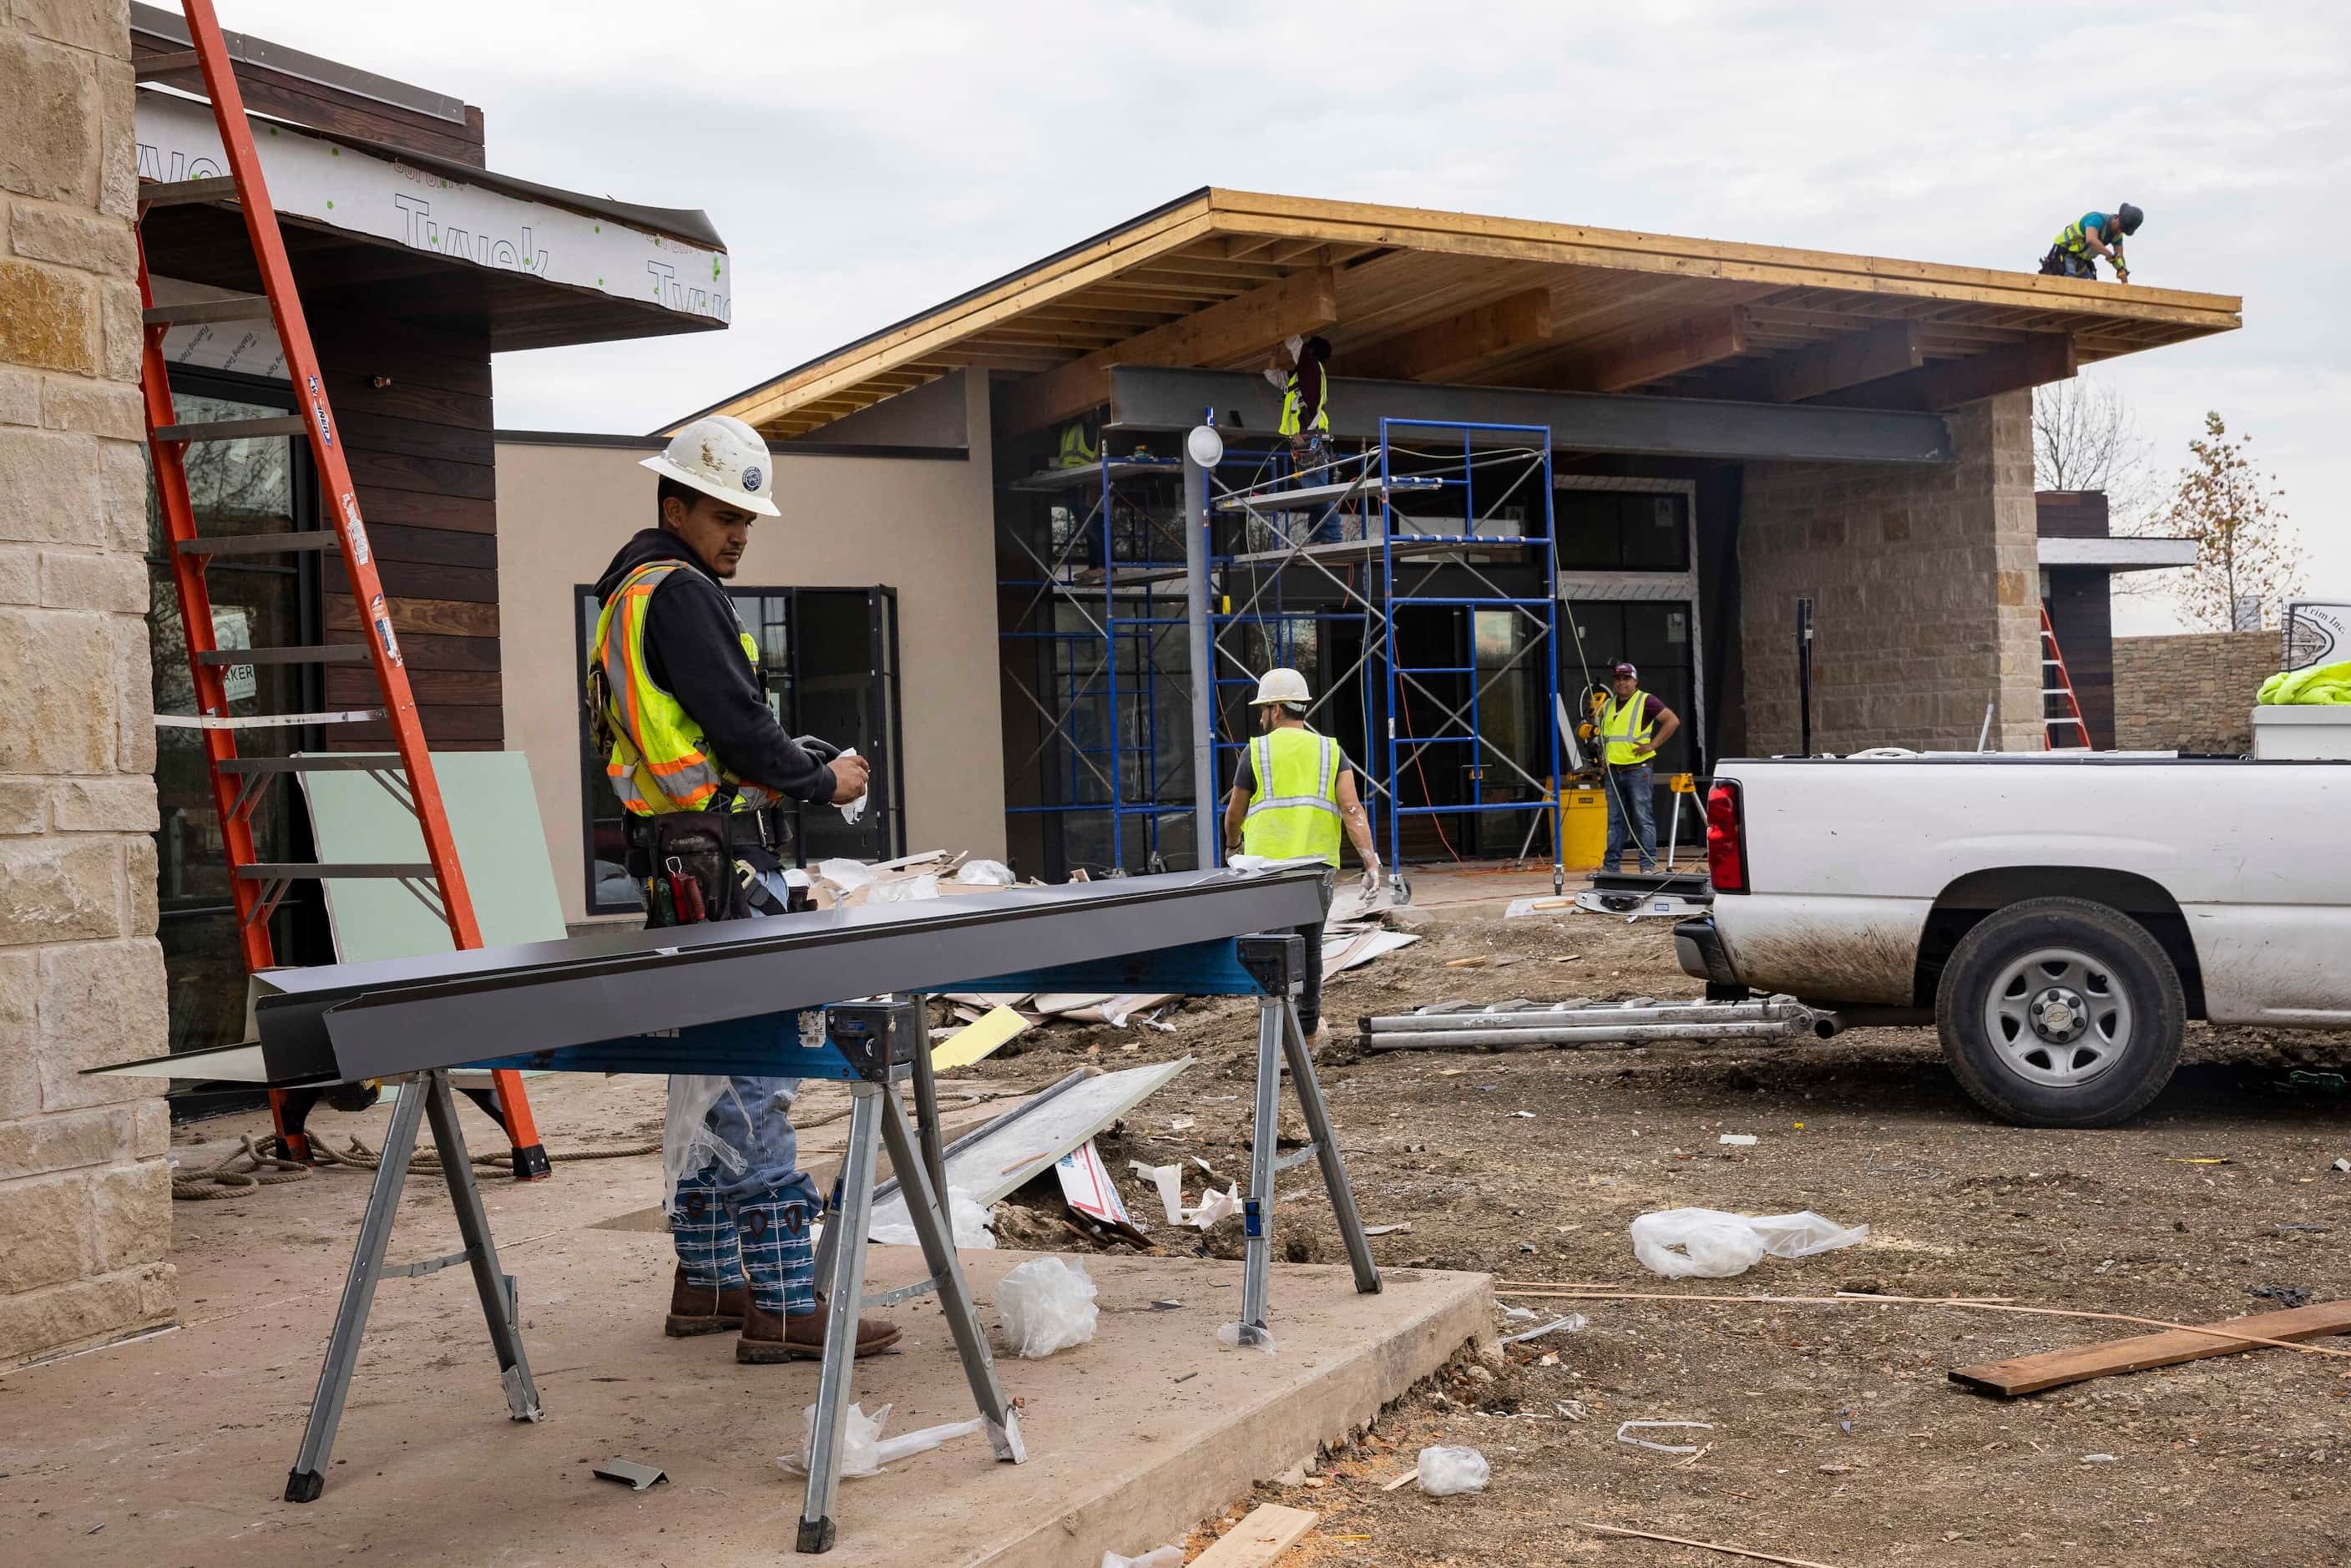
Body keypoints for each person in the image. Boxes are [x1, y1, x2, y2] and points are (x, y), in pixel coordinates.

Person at [588, 412, 899, 1366]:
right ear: (673, 505)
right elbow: (732, 728)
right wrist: (819, 779)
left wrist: (781, 757)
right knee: (758, 1072)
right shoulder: (680, 593)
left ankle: (708, 1277)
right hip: (720, 862)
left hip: (679, 858)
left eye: (746, 521)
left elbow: (706, 730)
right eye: (723, 514)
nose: (737, 535)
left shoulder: (630, 592)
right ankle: (778, 1299)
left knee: (711, 1072)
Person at [1221, 668, 1383, 1044]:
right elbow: (1352, 809)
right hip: (1316, 868)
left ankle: (1278, 1037)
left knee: (1274, 949)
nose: (1262, 717)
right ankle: (1307, 1032)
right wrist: (1371, 862)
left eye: (1264, 709)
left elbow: (1235, 812)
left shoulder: (1256, 751)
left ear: (1277, 709)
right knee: (1310, 948)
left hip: (1269, 868)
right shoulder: (1331, 750)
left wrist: (1232, 847)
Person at [1597, 662, 1679, 875]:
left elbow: (1672, 721)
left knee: (1643, 819)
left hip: (1637, 770)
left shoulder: (1646, 701)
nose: (1621, 683)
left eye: (1626, 679)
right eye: (1618, 679)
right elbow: (1608, 737)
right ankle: (1611, 867)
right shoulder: (1608, 705)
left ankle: (1647, 866)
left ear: (1635, 681)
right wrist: (1605, 760)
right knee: (1615, 821)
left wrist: (1652, 745)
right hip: (1614, 771)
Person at [1263, 334, 1334, 480]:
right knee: (1313, 491)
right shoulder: (1302, 377)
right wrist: (1275, 355)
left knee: (1314, 491)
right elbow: (1274, 377)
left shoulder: (1312, 368)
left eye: (1308, 348)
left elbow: (1296, 345)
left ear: (1312, 351)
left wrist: (1283, 329)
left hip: (1310, 437)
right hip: (1304, 440)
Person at [2039, 203, 2141, 283]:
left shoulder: (2118, 235)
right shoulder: (2096, 219)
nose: (2119, 231)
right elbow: (2091, 240)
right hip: (2064, 252)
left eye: (2123, 230)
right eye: (2120, 227)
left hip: (2081, 260)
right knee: (2070, 283)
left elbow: (2119, 257)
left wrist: (2124, 277)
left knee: (2090, 286)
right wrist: (2110, 255)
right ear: (2116, 217)